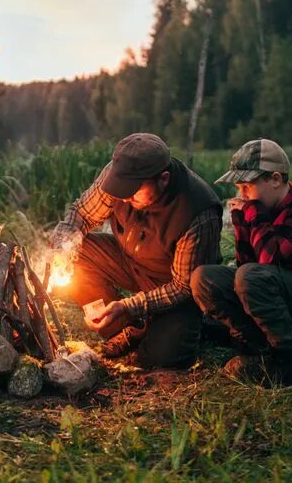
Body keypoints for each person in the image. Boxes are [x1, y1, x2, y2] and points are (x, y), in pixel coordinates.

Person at [50, 133, 222, 368]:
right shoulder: (118, 178)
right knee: (78, 252)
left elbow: (183, 286)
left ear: (163, 179)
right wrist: (62, 247)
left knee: (160, 358)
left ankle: (202, 325)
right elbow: (81, 213)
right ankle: (125, 327)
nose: (125, 196)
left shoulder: (197, 210)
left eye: (134, 191)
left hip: (174, 287)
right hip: (130, 261)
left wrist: (130, 306)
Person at [190, 138, 292, 386]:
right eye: (239, 188)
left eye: (247, 186)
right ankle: (254, 346)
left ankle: (287, 361)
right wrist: (241, 223)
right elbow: (245, 264)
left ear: (275, 179)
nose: (242, 195)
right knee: (204, 278)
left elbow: (268, 260)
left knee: (252, 276)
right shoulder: (260, 209)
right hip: (275, 291)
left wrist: (251, 213)